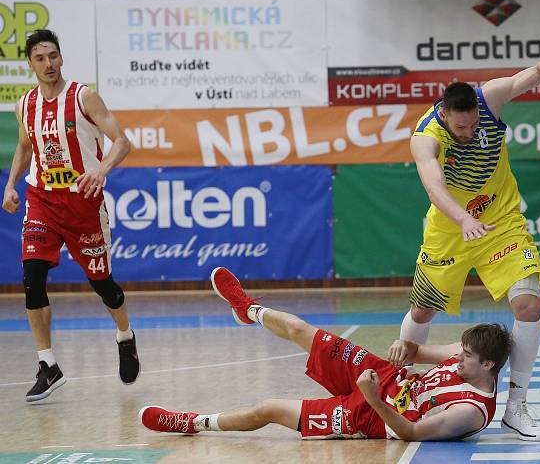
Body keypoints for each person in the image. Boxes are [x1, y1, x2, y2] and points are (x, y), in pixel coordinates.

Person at [392, 61, 540, 440]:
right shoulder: (425, 136)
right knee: (422, 311)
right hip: (451, 228)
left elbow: (535, 70)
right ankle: (400, 385)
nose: (470, 132)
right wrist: (462, 220)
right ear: (444, 113)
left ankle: (516, 406)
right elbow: (434, 188)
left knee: (528, 304)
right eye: (461, 127)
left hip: (500, 220)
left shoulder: (488, 99)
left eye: (474, 125)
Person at [139, 267, 512, 441]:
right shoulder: (468, 357)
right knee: (304, 331)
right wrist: (406, 347)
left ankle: (192, 422)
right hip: (385, 376)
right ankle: (248, 309)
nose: (458, 358)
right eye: (460, 352)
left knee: (270, 408)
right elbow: (418, 350)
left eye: (465, 357)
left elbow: (411, 432)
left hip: (372, 417)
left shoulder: (469, 411)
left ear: (488, 366)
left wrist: (371, 400)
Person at [1, 29, 139, 402]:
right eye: (40, 58)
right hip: (42, 200)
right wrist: (11, 184)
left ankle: (125, 336)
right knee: (32, 277)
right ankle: (48, 365)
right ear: (29, 63)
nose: (49, 64)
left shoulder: (83, 97)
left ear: (62, 58)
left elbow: (123, 142)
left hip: (83, 205)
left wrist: (101, 170)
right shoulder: (25, 104)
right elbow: (25, 147)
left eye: (53, 56)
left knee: (104, 285)